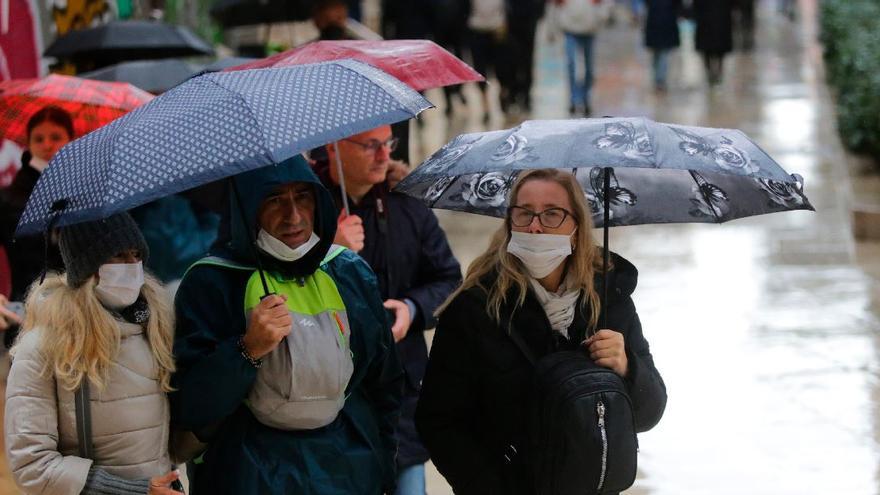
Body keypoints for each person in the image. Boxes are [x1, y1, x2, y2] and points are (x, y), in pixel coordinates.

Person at [415, 169, 667, 494]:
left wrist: (628, 367)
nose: (535, 225)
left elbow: (649, 414)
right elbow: (439, 421)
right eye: (524, 213)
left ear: (576, 227)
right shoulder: (475, 307)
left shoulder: (610, 300)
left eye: (552, 214)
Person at [170, 155, 404, 494]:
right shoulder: (211, 282)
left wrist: (382, 469)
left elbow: (385, 386)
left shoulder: (348, 271)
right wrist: (247, 350)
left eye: (303, 197)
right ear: (247, 208)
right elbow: (191, 407)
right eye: (274, 199)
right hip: (249, 479)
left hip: (349, 473)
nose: (293, 216)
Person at [318, 126, 462, 495]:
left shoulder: (407, 203)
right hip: (330, 396)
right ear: (334, 149)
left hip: (401, 389)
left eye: (388, 144)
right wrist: (326, 251)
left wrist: (413, 309)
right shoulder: (302, 207)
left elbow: (449, 280)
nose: (384, 156)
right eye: (370, 146)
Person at [4, 212, 182, 494]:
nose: (132, 266)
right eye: (118, 256)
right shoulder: (42, 346)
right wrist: (132, 491)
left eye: (136, 254)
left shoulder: (155, 329)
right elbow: (31, 463)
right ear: (86, 267)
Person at [0, 106, 73, 347]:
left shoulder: (84, 192)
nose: (47, 145)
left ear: (70, 140)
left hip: (77, 311)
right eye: (39, 138)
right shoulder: (10, 198)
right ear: (28, 144)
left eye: (56, 137)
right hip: (27, 310)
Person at [547, 0, 611, 116]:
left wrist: (600, 16)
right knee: (571, 64)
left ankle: (585, 98)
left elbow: (606, 4)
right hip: (569, 29)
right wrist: (551, 28)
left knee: (589, 67)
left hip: (589, 29)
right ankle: (573, 99)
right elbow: (554, 5)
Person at [692, 0, 734, 86]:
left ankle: (711, 71)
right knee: (718, 50)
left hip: (707, 21)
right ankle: (716, 71)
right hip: (719, 20)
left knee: (708, 50)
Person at [644, 0, 682, 92]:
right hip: (664, 22)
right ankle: (659, 80)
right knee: (660, 54)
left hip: (659, 22)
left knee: (660, 54)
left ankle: (659, 80)